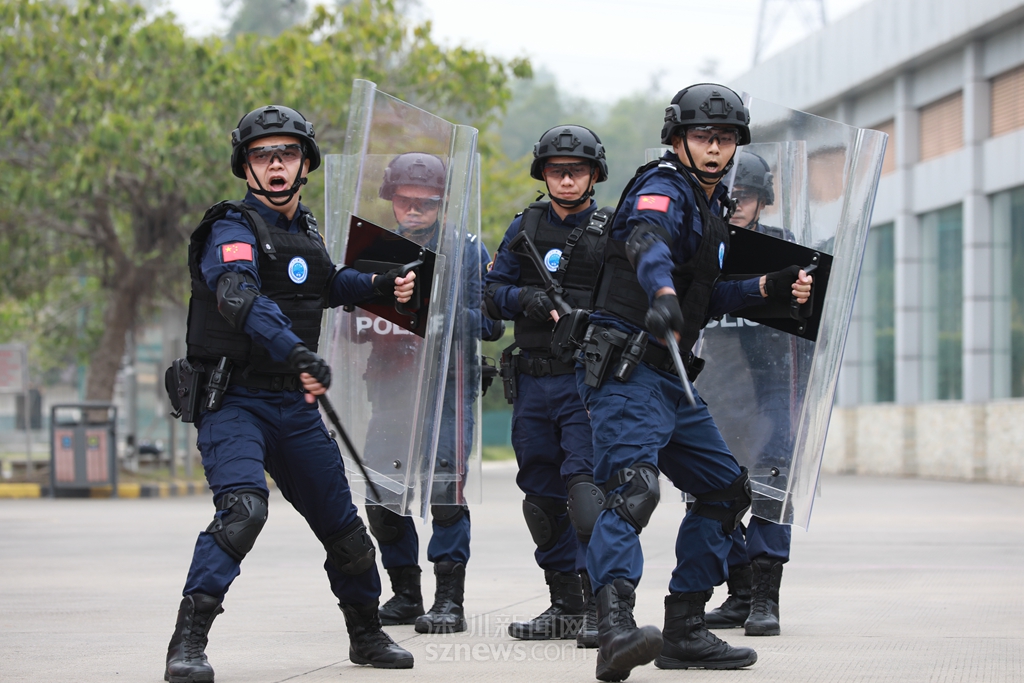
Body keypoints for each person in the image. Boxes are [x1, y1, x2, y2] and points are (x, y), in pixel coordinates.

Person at [164, 105, 417, 683]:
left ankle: (366, 634)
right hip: (235, 401)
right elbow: (238, 295)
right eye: (262, 156)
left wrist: (378, 284)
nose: (275, 165)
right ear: (245, 166)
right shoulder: (230, 228)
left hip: (295, 408)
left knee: (346, 531)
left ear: (305, 164)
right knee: (243, 512)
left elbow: (325, 283)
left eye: (287, 154)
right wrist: (295, 350)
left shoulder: (305, 229)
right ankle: (187, 643)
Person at [574, 84, 812, 681]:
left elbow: (708, 295)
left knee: (726, 490)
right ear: (678, 139)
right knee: (633, 489)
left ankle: (684, 629)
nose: (714, 148)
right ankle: (614, 633)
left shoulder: (715, 208)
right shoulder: (663, 186)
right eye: (704, 137)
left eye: (725, 139)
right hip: (627, 367)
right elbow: (646, 241)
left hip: (671, 377)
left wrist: (770, 287)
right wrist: (660, 291)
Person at [361, 152, 503, 635]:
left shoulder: (466, 250)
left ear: (442, 203)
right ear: (391, 199)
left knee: (445, 489)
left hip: (448, 388)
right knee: (381, 495)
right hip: (390, 389)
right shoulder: (374, 249)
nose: (415, 209)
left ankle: (448, 600)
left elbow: (492, 323)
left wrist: (443, 313)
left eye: (426, 202)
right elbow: (349, 323)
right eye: (405, 200)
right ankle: (405, 593)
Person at [483, 125, 613, 648]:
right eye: (556, 171)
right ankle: (564, 604)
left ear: (593, 175)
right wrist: (528, 300)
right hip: (533, 381)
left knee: (587, 493)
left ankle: (600, 606)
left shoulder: (612, 229)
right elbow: (491, 292)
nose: (566, 179)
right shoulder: (525, 225)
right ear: (544, 174)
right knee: (540, 496)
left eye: (576, 170)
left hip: (585, 380)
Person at [704, 150, 797, 637]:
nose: (735, 205)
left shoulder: (788, 252)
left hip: (774, 386)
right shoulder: (700, 246)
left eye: (745, 196)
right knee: (710, 491)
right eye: (728, 196)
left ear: (764, 200)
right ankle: (739, 591)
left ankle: (765, 598)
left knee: (771, 486)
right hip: (718, 387)